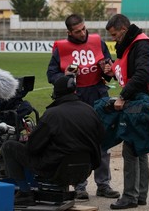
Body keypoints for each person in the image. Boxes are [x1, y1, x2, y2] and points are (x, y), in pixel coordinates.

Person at [46, 14, 120, 200]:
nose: (82, 33)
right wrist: (65, 76)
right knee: (78, 143)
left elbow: (110, 66)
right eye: (77, 31)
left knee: (103, 141)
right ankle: (80, 186)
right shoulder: (61, 48)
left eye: (83, 28)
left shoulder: (98, 41)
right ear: (69, 32)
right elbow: (51, 74)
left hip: (98, 95)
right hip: (76, 99)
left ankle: (103, 184)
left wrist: (108, 69)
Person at [1, 75, 105, 206]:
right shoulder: (90, 110)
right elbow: (101, 137)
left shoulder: (52, 114)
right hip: (84, 170)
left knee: (9, 146)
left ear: (56, 93)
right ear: (74, 91)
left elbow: (32, 148)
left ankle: (24, 192)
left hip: (56, 170)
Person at [103, 14, 149, 209]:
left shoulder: (141, 44)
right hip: (140, 99)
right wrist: (112, 71)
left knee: (130, 148)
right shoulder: (132, 44)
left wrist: (123, 96)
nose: (113, 39)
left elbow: (142, 74)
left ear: (124, 30)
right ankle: (139, 195)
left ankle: (129, 196)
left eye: (114, 34)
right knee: (139, 148)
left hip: (140, 102)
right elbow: (130, 70)